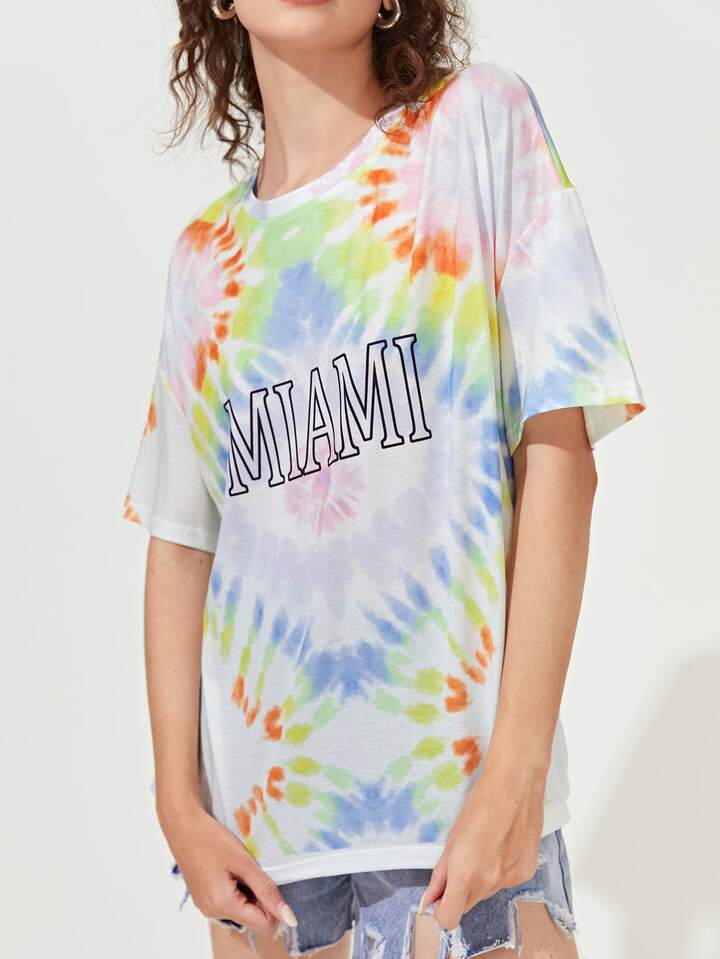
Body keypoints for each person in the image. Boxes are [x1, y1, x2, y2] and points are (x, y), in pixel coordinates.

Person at [124, 1, 645, 956]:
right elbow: (182, 538)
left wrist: (518, 773)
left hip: (464, 832)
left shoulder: (479, 128)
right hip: (261, 860)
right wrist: (178, 806)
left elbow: (560, 450)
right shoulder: (204, 261)